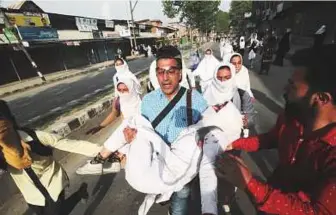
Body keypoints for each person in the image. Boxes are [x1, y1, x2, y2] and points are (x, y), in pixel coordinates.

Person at [216, 45, 336, 215]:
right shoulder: (293, 116)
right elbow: (271, 139)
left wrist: (249, 182)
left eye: (292, 86)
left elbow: (318, 211)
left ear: (322, 98)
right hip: (268, 197)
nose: (284, 90)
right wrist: (236, 143)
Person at [123, 46, 209, 215]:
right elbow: (141, 129)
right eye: (161, 72)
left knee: (183, 201)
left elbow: (207, 132)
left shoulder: (196, 101)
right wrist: (132, 136)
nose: (165, 78)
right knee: (172, 201)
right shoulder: (148, 101)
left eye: (171, 71)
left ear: (180, 73)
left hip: (185, 169)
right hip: (158, 167)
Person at [0, 100, 102, 215]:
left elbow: (70, 144)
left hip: (53, 184)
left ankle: (79, 195)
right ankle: (79, 194)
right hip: (32, 195)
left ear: (9, 120)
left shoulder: (36, 137)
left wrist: (104, 151)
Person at [76, 74, 142, 175]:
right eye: (120, 90)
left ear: (132, 88)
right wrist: (100, 126)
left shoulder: (142, 103)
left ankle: (98, 161)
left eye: (125, 89)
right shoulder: (118, 100)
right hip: (125, 137)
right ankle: (112, 161)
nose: (122, 92)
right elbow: (114, 114)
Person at [203, 63, 256, 136]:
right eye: (219, 78)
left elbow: (250, 116)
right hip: (212, 136)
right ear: (215, 77)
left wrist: (247, 121)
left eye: (227, 77)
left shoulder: (242, 95)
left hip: (234, 137)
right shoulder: (207, 94)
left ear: (232, 76)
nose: (223, 81)